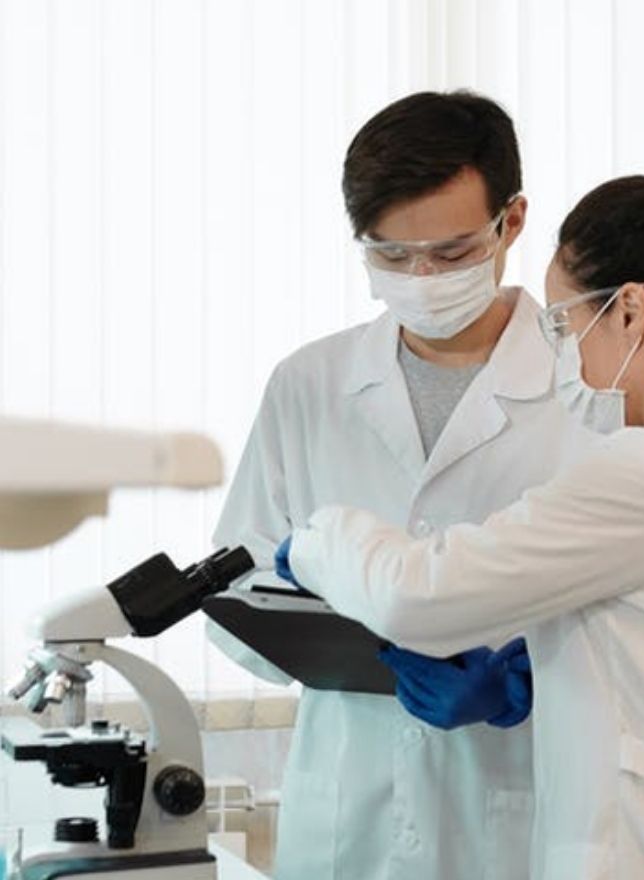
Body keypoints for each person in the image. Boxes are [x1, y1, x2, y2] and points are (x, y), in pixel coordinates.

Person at [280, 132, 644, 880]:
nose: (559, 351)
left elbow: (415, 593)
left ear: (628, 312)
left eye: (560, 322)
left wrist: (316, 540)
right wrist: (561, 683)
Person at [209, 91, 595, 880]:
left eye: (452, 254)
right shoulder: (310, 384)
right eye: (390, 256)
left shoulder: (590, 387)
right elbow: (237, 577)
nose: (421, 277)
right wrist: (322, 627)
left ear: (511, 222)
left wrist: (529, 677)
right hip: (349, 812)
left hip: (519, 809)